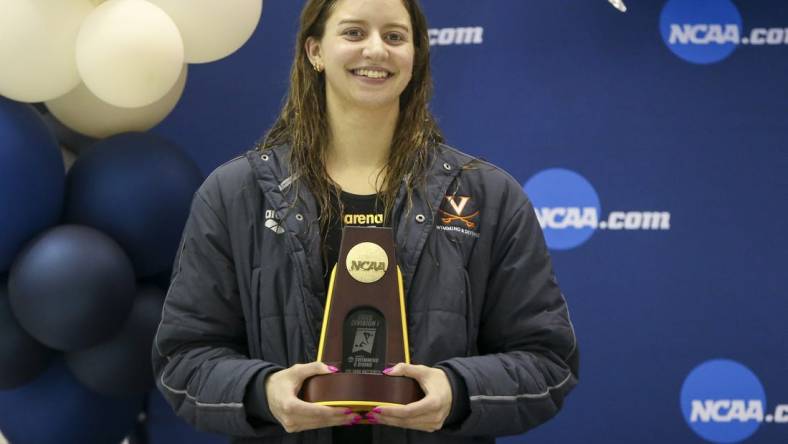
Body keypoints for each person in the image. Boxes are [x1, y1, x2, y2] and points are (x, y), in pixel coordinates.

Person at [152, 0, 579, 443]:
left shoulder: (488, 197)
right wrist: (263, 392)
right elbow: (184, 360)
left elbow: (547, 361)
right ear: (314, 51)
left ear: (415, 56)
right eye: (354, 33)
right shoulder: (234, 194)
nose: (376, 50)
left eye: (394, 36)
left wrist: (458, 391)